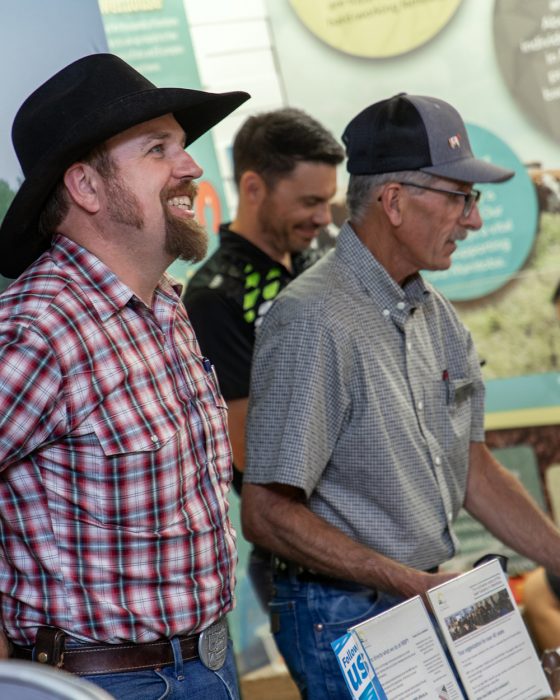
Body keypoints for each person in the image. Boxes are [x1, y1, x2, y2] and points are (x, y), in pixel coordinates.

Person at [241, 92, 560, 700]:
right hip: (342, 613)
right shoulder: (313, 320)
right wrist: (407, 580)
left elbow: (474, 470)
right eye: (460, 199)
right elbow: (267, 513)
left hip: (414, 596)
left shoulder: (436, 317)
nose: (475, 221)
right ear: (393, 201)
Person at [0, 52, 249, 700]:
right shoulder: (39, 331)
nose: (190, 164)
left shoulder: (165, 304)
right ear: (86, 187)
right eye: (158, 149)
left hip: (209, 664)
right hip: (106, 684)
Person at [183, 109, 344, 608]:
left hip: (373, 535)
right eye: (309, 202)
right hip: (305, 563)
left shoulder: (321, 264)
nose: (323, 218)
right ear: (254, 188)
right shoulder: (215, 296)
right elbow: (252, 453)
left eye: (328, 202)